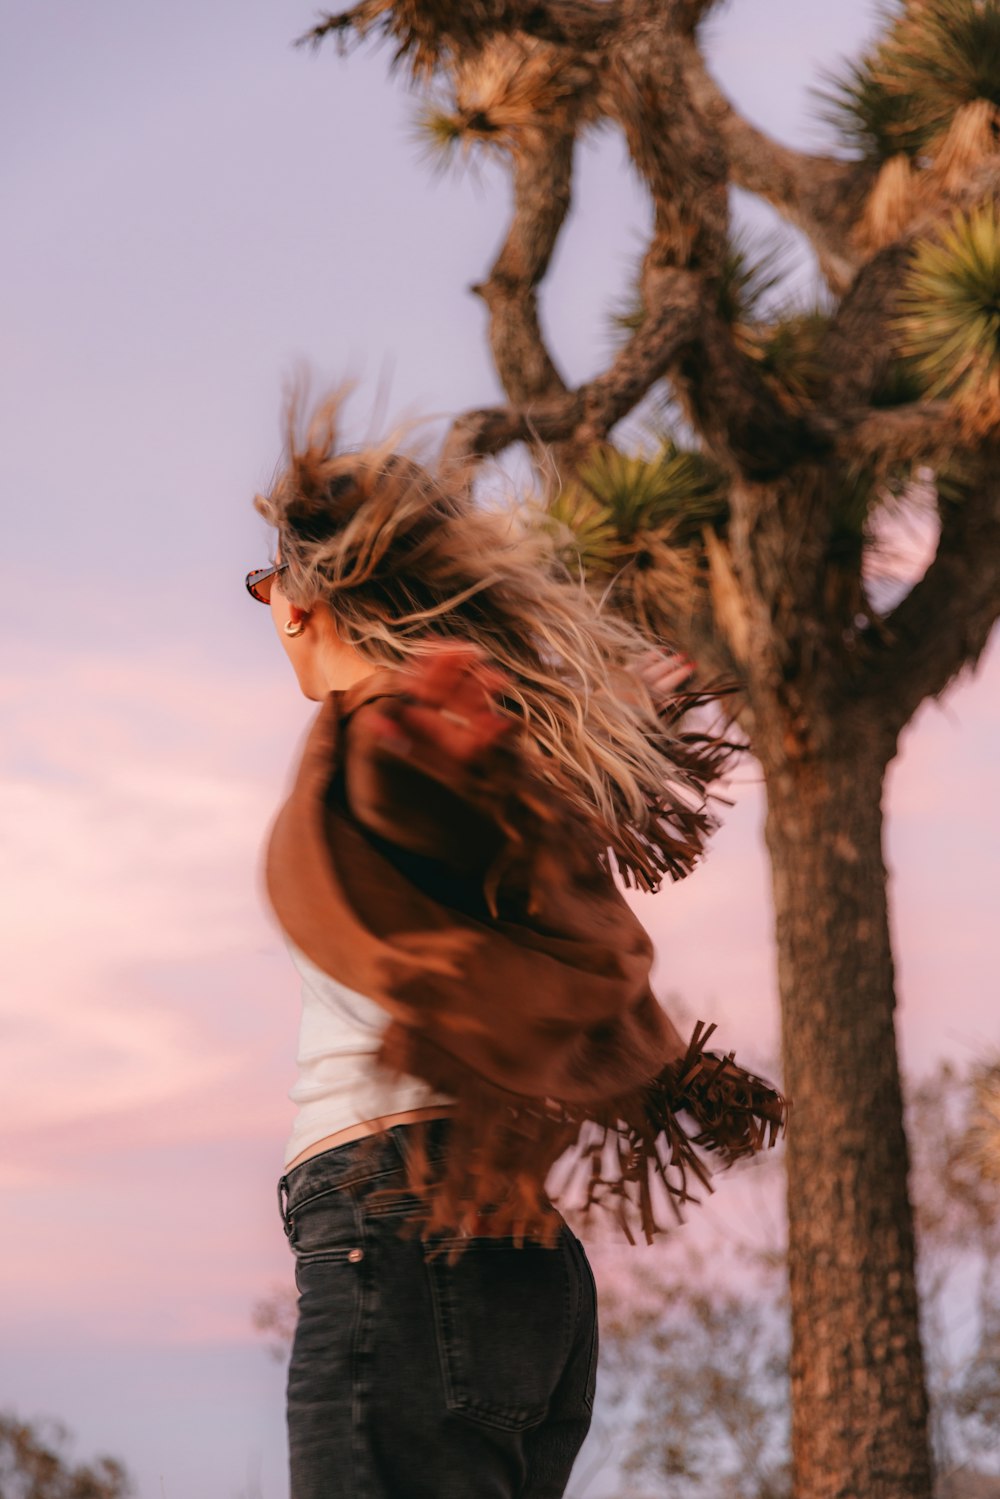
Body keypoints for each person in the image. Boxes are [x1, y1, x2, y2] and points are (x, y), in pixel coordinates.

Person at [247, 396, 784, 1499]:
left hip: (402, 1232)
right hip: (520, 1275)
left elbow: (413, 808)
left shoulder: (385, 735)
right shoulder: (468, 741)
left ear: (303, 599)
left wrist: (441, 746)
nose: (264, 607)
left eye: (262, 586)